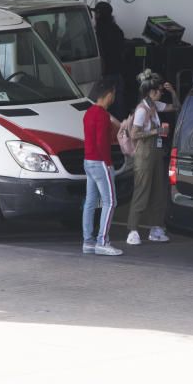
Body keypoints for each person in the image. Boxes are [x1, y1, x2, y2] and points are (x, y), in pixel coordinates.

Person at [127, 69, 180, 246]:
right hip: (144, 153)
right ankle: (133, 229)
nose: (161, 92)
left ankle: (156, 228)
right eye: (159, 90)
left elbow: (176, 107)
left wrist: (173, 92)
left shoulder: (154, 106)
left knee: (158, 190)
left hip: (156, 152)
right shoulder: (142, 109)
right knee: (142, 190)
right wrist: (156, 131)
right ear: (151, 91)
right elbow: (134, 134)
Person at [82, 78, 123, 256]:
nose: (114, 97)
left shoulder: (88, 113)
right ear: (108, 95)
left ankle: (88, 241)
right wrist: (108, 163)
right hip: (100, 162)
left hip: (88, 161)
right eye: (113, 94)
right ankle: (103, 241)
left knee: (90, 202)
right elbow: (102, 142)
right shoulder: (103, 115)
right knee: (110, 201)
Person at [93, 1, 126, 120]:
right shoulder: (117, 30)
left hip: (105, 75)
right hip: (117, 73)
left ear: (98, 15)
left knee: (103, 111)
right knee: (118, 109)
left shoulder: (97, 33)